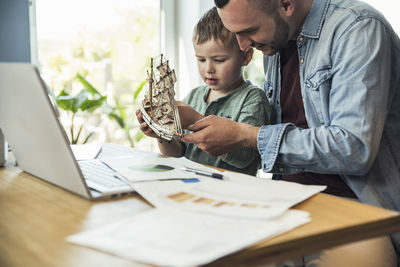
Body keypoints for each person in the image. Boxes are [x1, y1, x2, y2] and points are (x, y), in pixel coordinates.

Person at [181, 0, 400, 266]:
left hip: (356, 208)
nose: (242, 46)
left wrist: (247, 135)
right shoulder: (275, 42)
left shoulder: (358, 28)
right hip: (286, 202)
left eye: (249, 30)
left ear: (286, 4)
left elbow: (353, 149)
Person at [137, 7, 271, 176]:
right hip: (192, 185)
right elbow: (177, 153)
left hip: (233, 192)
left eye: (219, 60)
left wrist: (194, 120)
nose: (208, 69)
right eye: (201, 59)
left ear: (245, 57)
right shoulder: (193, 96)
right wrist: (162, 135)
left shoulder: (253, 99)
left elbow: (245, 158)